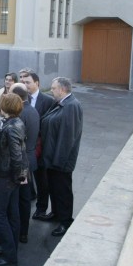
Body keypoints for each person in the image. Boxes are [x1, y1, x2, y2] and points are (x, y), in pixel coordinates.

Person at [41, 77, 83, 237]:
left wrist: (58, 161)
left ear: (62, 89)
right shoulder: (62, 103)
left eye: (53, 88)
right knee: (54, 188)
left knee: (63, 190)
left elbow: (68, 137)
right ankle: (56, 213)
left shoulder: (72, 106)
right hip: (53, 159)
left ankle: (65, 221)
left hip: (60, 161)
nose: (51, 91)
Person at [0, 93, 26, 266]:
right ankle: (9, 249)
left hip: (7, 177)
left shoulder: (11, 127)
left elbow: (17, 155)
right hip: (12, 177)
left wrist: (15, 177)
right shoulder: (17, 122)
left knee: (0, 215)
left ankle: (10, 257)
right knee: (12, 215)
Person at [19, 69, 55, 221]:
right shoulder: (19, 100)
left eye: (28, 82)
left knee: (42, 179)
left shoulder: (47, 101)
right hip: (24, 146)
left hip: (40, 146)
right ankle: (30, 195)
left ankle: (41, 208)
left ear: (37, 83)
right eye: (23, 82)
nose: (25, 85)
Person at [10, 83, 40, 243]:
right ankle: (23, 232)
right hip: (30, 159)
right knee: (24, 199)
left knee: (20, 200)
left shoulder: (21, 114)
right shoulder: (32, 110)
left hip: (22, 163)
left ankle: (20, 232)